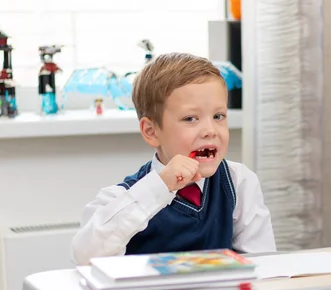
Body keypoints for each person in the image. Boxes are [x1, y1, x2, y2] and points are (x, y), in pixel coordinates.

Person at [71, 53, 276, 265]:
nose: (210, 130)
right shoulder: (121, 197)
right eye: (190, 119)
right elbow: (85, 257)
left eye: (218, 116)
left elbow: (261, 263)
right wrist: (158, 187)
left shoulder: (239, 182)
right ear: (151, 131)